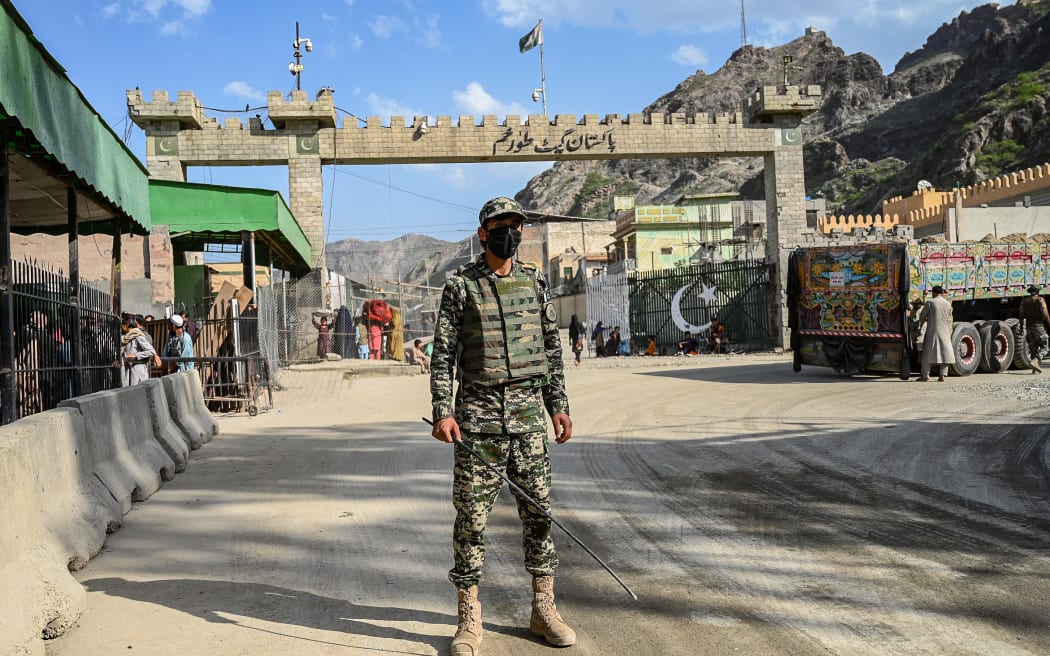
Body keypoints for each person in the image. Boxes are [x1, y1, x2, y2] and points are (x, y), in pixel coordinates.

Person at [430, 196, 576, 655]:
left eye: (516, 225)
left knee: (539, 517)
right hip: (477, 422)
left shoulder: (535, 282)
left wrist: (559, 404)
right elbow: (443, 354)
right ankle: (469, 618)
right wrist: (442, 410)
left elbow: (551, 349)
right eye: (501, 225)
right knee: (472, 521)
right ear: (483, 233)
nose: (509, 232)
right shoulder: (461, 287)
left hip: (530, 419)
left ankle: (543, 608)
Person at [916, 285, 955, 382]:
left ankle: (925, 375)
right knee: (944, 353)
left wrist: (925, 319)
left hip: (932, 332)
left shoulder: (930, 302)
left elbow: (922, 317)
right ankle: (942, 375)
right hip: (945, 332)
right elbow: (950, 318)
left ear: (933, 293)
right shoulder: (948, 304)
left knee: (927, 353)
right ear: (941, 293)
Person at [1019, 284, 1050, 373]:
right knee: (1045, 347)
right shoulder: (1040, 300)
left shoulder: (1024, 301)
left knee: (1033, 348)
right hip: (1039, 326)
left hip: (1028, 327)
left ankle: (1034, 370)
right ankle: (1035, 361)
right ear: (1037, 291)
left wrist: (1021, 328)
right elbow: (1045, 313)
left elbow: (1021, 315)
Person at [119, 316, 155, 386]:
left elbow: (151, 351)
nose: (121, 328)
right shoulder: (127, 337)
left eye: (122, 325)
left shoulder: (138, 336)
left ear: (126, 325)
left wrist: (136, 355)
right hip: (129, 371)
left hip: (138, 371)